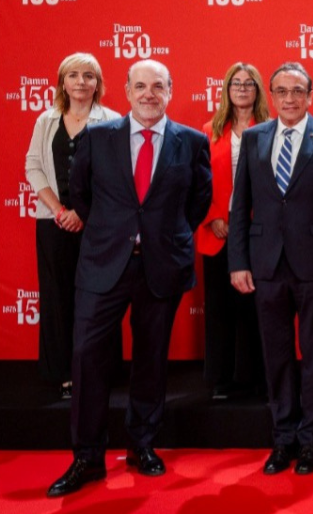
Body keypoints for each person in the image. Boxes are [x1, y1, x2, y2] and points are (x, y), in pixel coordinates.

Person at [48, 59, 212, 497]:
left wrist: (160, 236)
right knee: (86, 356)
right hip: (103, 263)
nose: (148, 94)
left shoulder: (193, 142)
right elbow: (79, 194)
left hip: (161, 264)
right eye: (140, 86)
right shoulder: (97, 138)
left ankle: (143, 444)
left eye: (157, 86)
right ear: (125, 90)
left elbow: (198, 202)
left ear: (171, 90)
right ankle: (87, 456)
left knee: (151, 358)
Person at [228, 62, 313, 476]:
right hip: (265, 264)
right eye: (281, 91)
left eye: (297, 90)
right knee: (277, 355)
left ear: (310, 95)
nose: (289, 98)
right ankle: (282, 437)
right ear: (271, 95)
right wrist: (238, 262)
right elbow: (240, 205)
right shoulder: (253, 138)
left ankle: (311, 438)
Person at [25, 53, 121, 400]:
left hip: (97, 225)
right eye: (74, 76)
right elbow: (33, 165)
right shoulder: (46, 120)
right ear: (62, 82)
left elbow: (115, 177)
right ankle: (63, 374)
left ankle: (99, 371)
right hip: (53, 224)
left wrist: (82, 213)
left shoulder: (112, 121)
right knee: (58, 297)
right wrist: (58, 209)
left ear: (98, 83)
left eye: (89, 76)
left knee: (100, 299)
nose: (81, 82)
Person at [198, 63, 269, 400]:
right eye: (235, 83)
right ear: (226, 89)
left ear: (257, 90)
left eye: (248, 83)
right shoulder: (207, 132)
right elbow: (198, 184)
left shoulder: (271, 129)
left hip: (258, 231)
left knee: (254, 306)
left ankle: (253, 377)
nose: (242, 88)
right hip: (218, 231)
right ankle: (221, 379)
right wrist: (212, 217)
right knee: (220, 307)